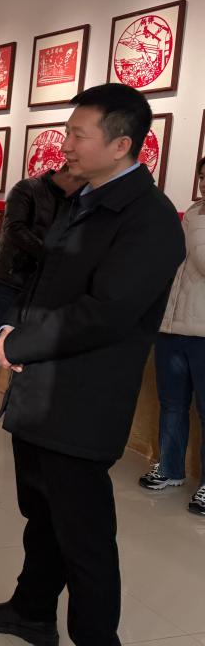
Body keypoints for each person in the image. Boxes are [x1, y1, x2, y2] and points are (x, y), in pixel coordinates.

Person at [0, 84, 185, 646]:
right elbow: (45, 281)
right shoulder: (84, 198)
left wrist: (20, 344)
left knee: (84, 536)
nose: (64, 144)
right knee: (42, 514)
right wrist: (14, 330)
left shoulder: (149, 219)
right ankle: (32, 611)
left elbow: (105, 313)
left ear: (121, 144)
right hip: (41, 391)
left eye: (77, 134)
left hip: (82, 400)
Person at [0, 167, 83, 417]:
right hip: (13, 276)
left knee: (33, 337)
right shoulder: (28, 189)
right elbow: (15, 229)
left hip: (46, 282)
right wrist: (52, 256)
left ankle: (19, 398)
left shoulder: (75, 200)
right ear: (69, 175)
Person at [138, 155, 205, 517]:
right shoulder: (193, 213)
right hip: (172, 325)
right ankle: (170, 467)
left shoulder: (196, 221)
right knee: (173, 403)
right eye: (203, 176)